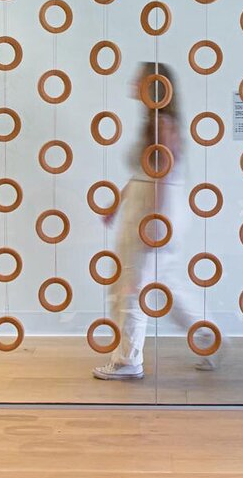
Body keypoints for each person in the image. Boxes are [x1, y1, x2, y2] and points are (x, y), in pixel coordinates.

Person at [93, 61, 219, 380]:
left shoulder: (161, 123)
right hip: (149, 205)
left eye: (140, 80)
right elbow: (146, 171)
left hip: (153, 208)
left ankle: (127, 360)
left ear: (156, 87)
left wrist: (154, 222)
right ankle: (207, 337)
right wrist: (117, 204)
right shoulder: (156, 122)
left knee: (132, 283)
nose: (134, 84)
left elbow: (162, 174)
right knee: (163, 283)